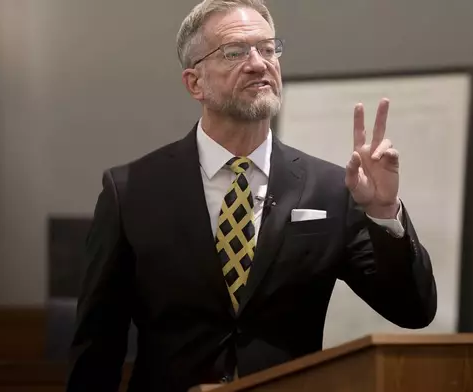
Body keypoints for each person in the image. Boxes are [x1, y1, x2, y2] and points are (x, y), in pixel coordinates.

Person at [66, 1, 437, 391]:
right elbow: (97, 348)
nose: (259, 63)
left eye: (268, 48)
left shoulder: (330, 188)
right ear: (195, 83)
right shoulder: (132, 192)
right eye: (235, 52)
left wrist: (383, 212)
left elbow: (413, 311)